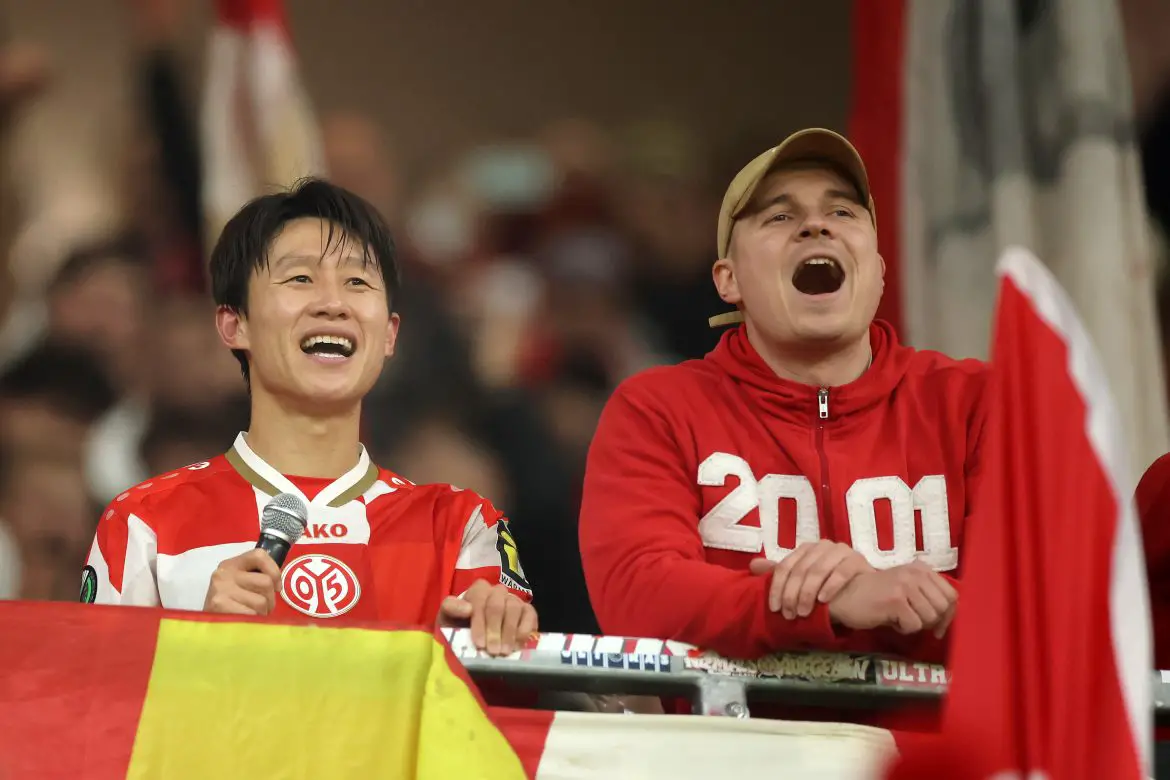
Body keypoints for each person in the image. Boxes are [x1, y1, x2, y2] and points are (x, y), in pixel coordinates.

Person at [578, 129, 988, 663]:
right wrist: (831, 603)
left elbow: (1038, 606)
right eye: (778, 216)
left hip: (946, 723)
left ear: (880, 270)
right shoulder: (658, 409)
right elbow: (638, 596)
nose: (816, 225)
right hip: (733, 723)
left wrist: (879, 599)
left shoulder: (977, 403)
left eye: (842, 212)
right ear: (728, 281)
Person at [82, 179, 536, 656]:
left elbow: (516, 694)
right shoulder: (144, 521)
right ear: (234, 325)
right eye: (300, 278)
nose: (333, 304)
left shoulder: (460, 526)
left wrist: (469, 653)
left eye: (357, 282)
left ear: (389, 335)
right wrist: (200, 642)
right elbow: (95, 694)